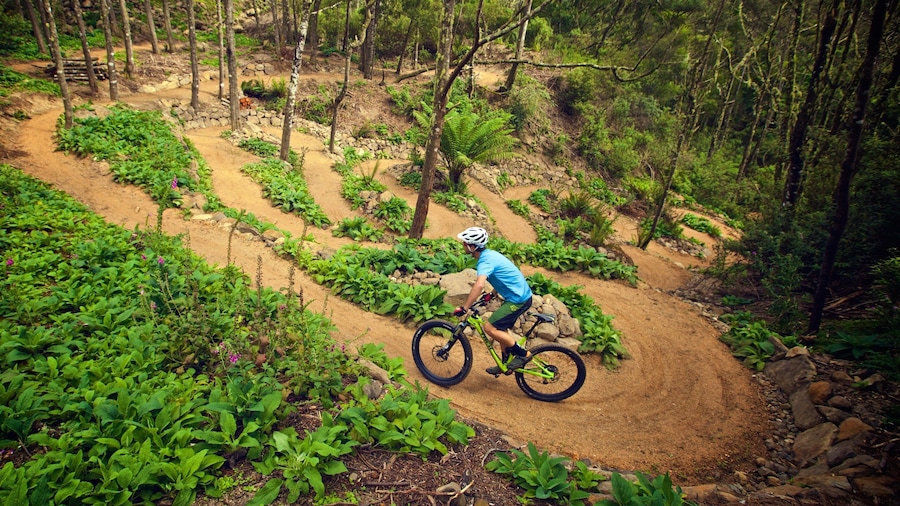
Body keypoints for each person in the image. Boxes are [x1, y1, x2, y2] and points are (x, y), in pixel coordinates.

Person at [454, 227, 534, 375]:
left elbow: (479, 285)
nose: (463, 245)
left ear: (473, 247)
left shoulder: (484, 262)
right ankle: (506, 363)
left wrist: (465, 307)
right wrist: (492, 294)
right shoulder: (490, 254)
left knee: (489, 328)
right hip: (518, 296)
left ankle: (524, 355)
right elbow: (503, 277)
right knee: (500, 328)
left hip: (518, 300)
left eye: (465, 243)